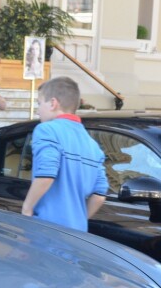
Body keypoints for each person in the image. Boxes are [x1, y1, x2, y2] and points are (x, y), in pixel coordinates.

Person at [20, 76, 109, 232]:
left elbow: (46, 175)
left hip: (46, 229)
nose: (38, 110)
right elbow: (99, 194)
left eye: (39, 103)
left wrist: (26, 209)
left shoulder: (46, 130)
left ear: (53, 103)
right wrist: (79, 220)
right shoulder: (93, 145)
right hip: (78, 232)